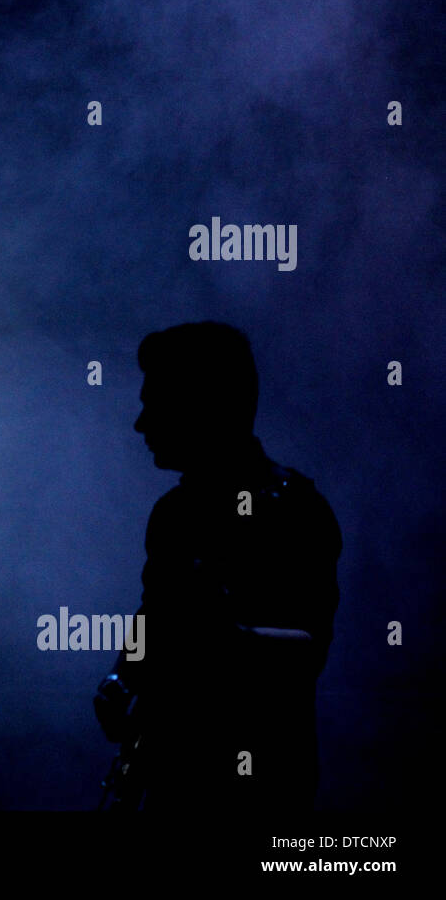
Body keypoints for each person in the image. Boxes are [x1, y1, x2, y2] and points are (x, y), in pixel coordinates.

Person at [94, 322, 341, 810]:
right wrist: (123, 677)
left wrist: (227, 637)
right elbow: (153, 615)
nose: (140, 424)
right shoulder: (173, 514)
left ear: (200, 405)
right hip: (173, 781)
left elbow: (308, 651)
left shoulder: (296, 511)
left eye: (154, 403)